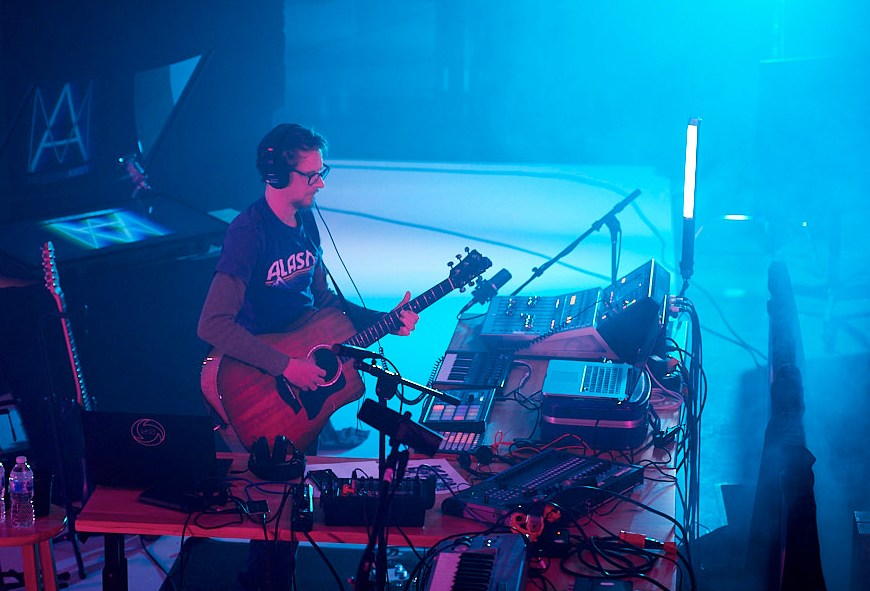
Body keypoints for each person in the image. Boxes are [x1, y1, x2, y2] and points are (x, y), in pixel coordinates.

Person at [196, 123, 419, 590]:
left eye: (322, 172)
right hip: (263, 384)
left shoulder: (306, 221)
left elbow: (324, 304)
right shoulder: (249, 233)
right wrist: (286, 367)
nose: (321, 183)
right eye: (312, 175)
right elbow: (212, 325)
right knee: (272, 509)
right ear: (276, 176)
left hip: (305, 378)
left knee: (291, 512)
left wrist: (386, 319)